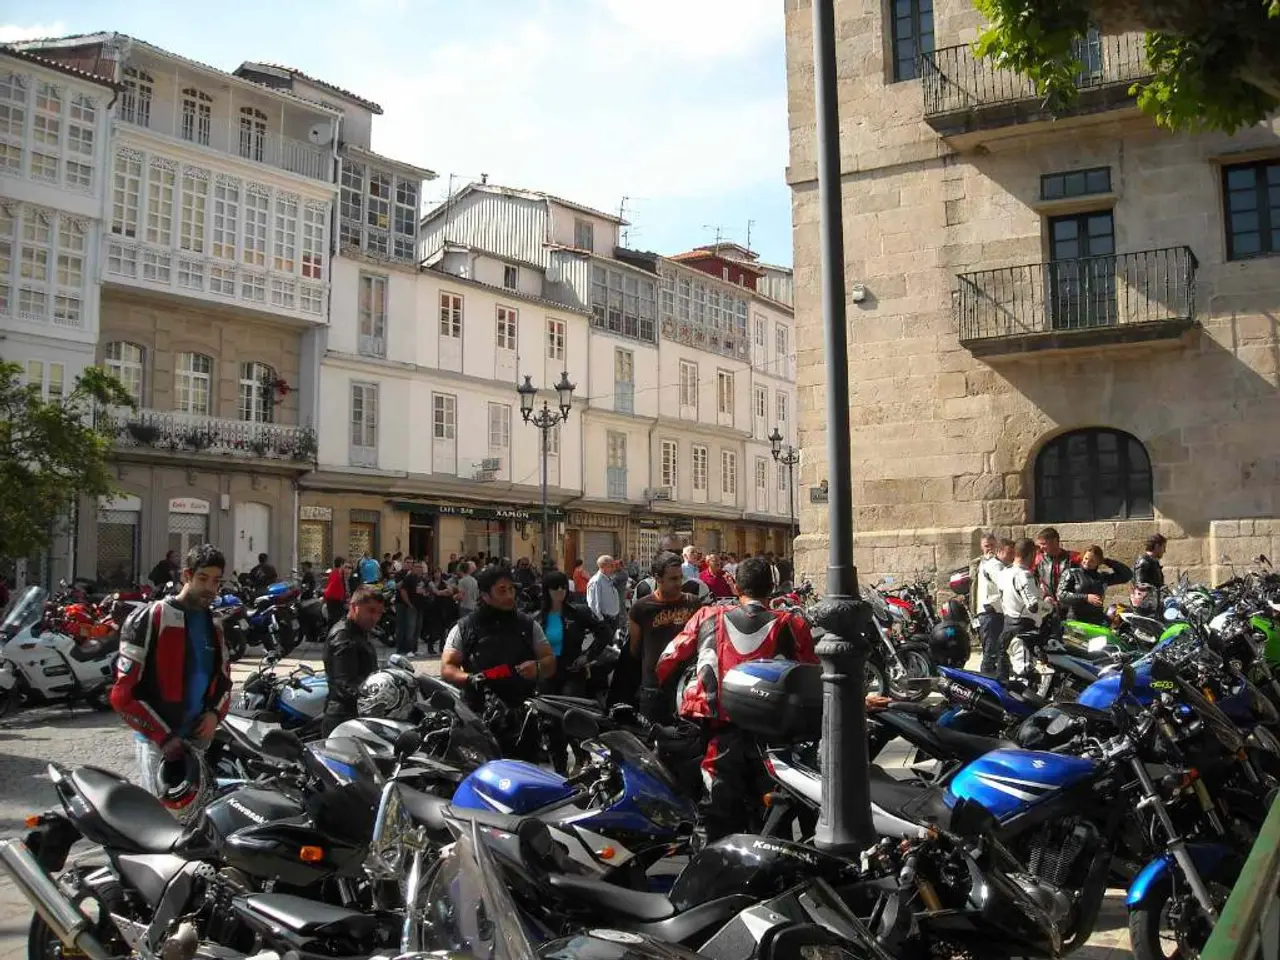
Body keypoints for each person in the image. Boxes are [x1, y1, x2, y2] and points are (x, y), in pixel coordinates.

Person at [655, 556, 818, 841]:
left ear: (735, 585)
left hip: (719, 730)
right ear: (772, 588)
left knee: (717, 812)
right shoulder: (793, 623)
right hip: (772, 736)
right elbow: (812, 674)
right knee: (773, 816)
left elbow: (666, 661)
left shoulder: (707, 616)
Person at [112, 543, 232, 804]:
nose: (210, 588)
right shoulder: (150, 618)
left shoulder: (215, 625)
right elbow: (122, 695)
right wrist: (163, 737)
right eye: (203, 578)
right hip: (159, 744)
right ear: (186, 575)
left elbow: (224, 681)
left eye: (216, 581)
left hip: (198, 741)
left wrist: (214, 714)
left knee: (199, 817)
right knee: (162, 820)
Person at [441, 565, 556, 716]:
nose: (509, 595)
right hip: (479, 713)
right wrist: (470, 679)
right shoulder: (464, 627)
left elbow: (550, 660)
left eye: (511, 589)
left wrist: (538, 667)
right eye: (502, 591)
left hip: (523, 712)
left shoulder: (529, 625)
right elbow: (447, 668)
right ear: (485, 595)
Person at [627, 552, 705, 720]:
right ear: (658, 578)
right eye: (673, 579)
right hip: (653, 689)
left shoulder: (693, 603)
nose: (679, 583)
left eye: (680, 578)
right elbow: (635, 650)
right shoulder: (641, 608)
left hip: (686, 687)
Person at [321, 585, 384, 735]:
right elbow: (346, 684)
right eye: (371, 611)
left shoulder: (359, 631)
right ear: (354, 607)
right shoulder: (344, 637)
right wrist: (378, 700)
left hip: (355, 714)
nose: (375, 617)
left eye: (379, 613)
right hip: (343, 718)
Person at [999, 538, 1052, 680]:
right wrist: (1049, 606)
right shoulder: (1024, 575)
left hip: (1008, 626)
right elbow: (1033, 606)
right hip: (1023, 631)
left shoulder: (1004, 572)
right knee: (1024, 674)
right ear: (1031, 554)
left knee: (1009, 673)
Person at [1058, 546, 1132, 625]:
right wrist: (1086, 597)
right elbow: (1061, 594)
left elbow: (1127, 576)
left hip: (1097, 620)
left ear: (1098, 562)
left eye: (1092, 561)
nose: (1087, 562)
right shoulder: (1072, 573)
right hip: (1076, 619)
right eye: (1086, 558)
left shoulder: (1102, 577)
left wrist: (1107, 561)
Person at [977, 535, 1012, 675]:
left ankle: (1001, 677)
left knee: (998, 652)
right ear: (982, 547)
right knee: (991, 653)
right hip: (991, 613)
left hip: (991, 612)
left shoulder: (990, 563)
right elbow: (1005, 585)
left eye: (992, 545)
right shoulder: (993, 565)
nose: (990, 548)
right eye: (987, 545)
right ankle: (985, 681)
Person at [1034, 527, 1079, 610]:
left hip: (1070, 606)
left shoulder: (1072, 559)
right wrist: (1043, 596)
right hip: (1048, 605)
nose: (1041, 547)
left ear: (1054, 542)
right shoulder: (1038, 560)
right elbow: (1033, 581)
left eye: (1044, 544)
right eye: (1040, 544)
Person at [1133, 533, 1168, 613]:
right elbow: (1140, 586)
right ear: (1157, 546)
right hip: (1146, 608)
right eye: (1163, 547)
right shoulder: (1143, 562)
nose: (1164, 551)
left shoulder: (1153, 562)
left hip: (1155, 606)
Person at [396, 560, 424, 656]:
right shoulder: (408, 578)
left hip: (420, 607)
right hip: (411, 606)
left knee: (418, 628)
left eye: (420, 567)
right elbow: (403, 591)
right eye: (417, 567)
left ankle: (415, 649)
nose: (419, 569)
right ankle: (408, 650)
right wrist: (409, 604)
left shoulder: (421, 578)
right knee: (410, 628)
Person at [586, 555, 621, 629]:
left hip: (613, 619)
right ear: (603, 567)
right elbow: (593, 604)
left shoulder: (608, 579)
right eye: (611, 566)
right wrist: (601, 621)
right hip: (604, 621)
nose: (614, 568)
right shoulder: (596, 581)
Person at [322, 556, 350, 626]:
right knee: (335, 621)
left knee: (337, 620)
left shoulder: (339, 574)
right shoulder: (335, 574)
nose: (345, 567)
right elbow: (331, 588)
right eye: (344, 565)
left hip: (337, 601)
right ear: (341, 564)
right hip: (334, 601)